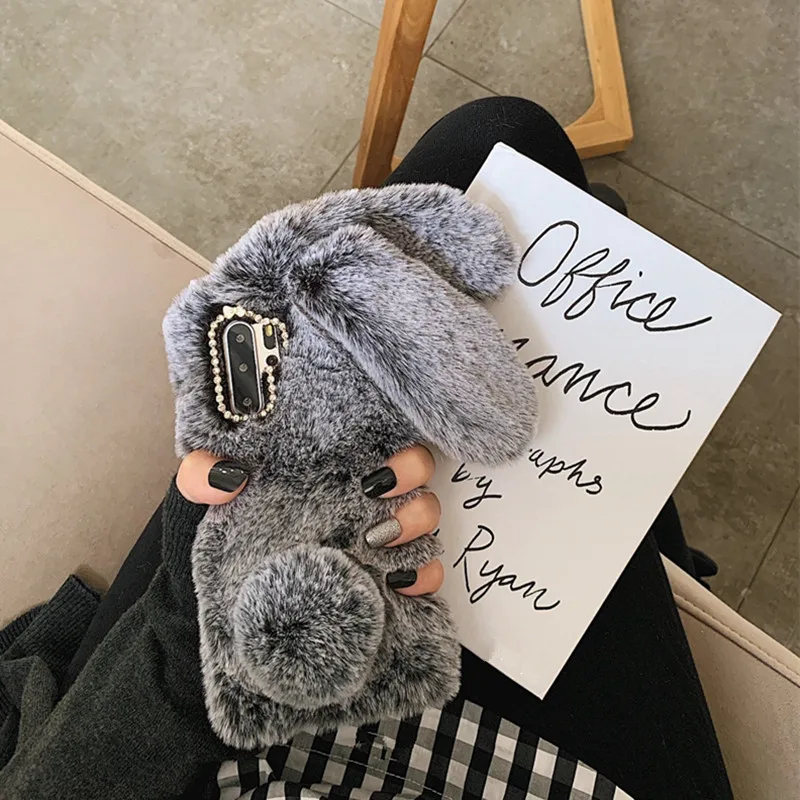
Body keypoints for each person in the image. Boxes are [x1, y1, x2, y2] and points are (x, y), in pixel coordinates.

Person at [0, 97, 732, 800]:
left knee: (504, 142)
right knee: (516, 148)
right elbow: (505, 422)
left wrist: (201, 611)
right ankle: (665, 535)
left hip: (203, 722)